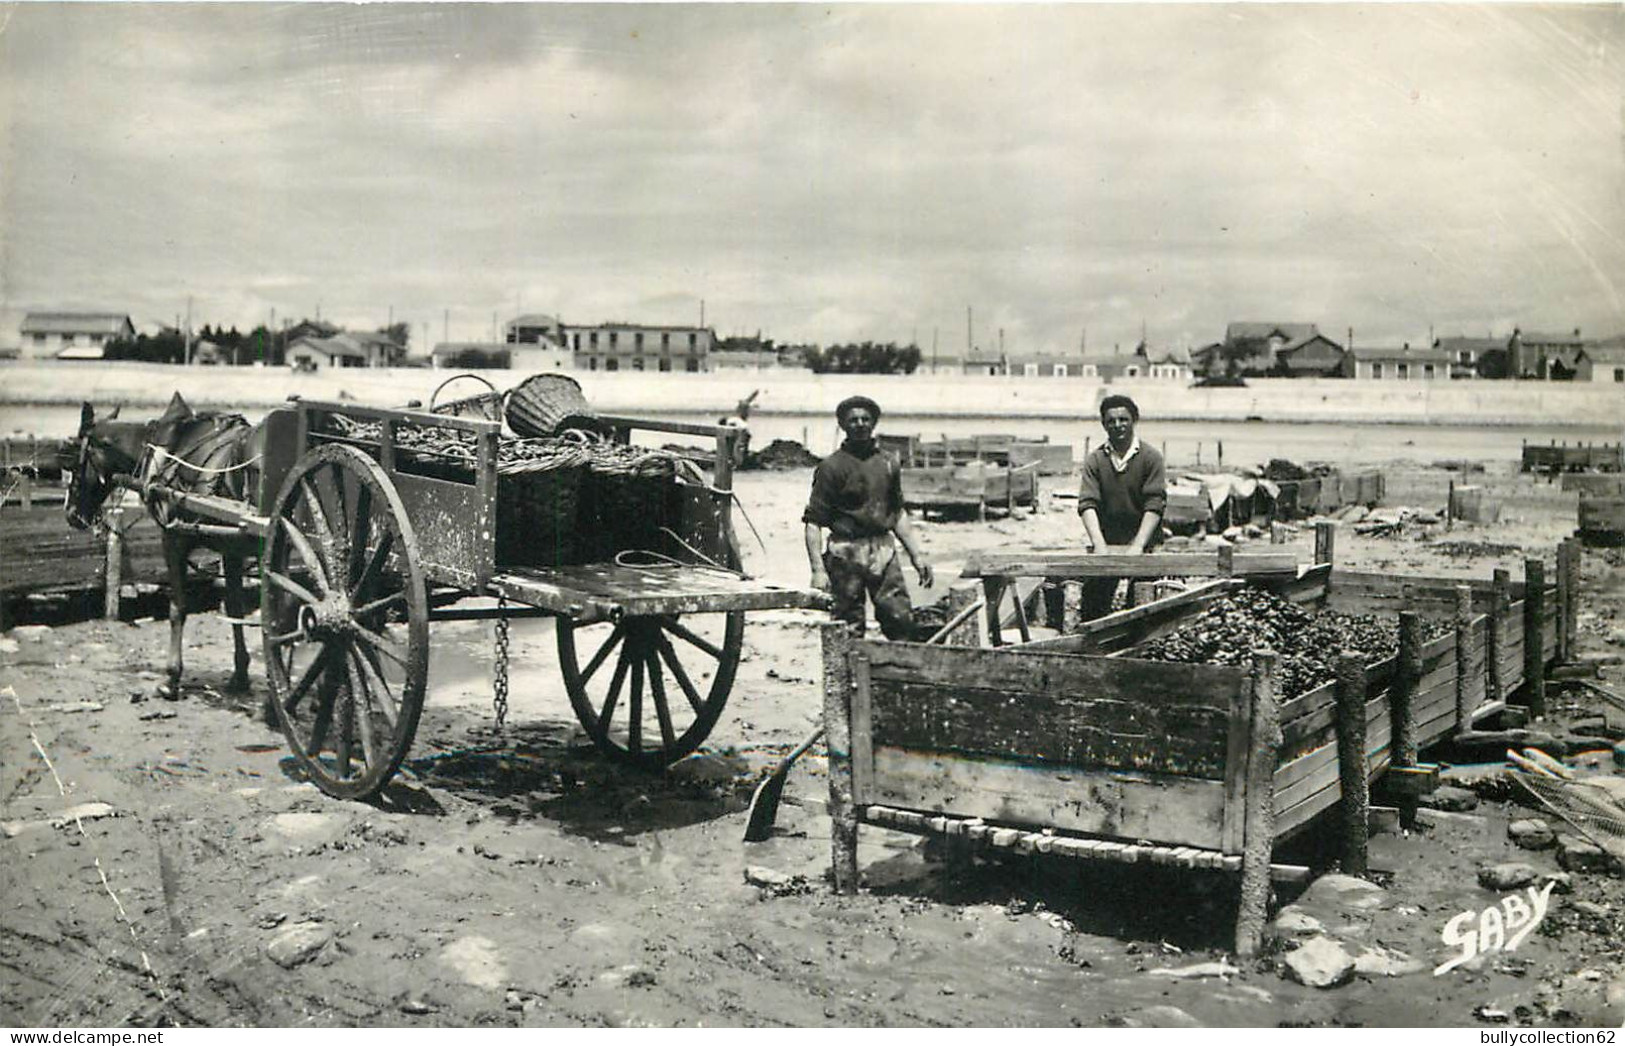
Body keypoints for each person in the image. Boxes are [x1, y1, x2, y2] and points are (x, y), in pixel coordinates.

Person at [803, 395, 933, 638]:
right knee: (847, 623)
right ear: (842, 425)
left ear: (874, 423)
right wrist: (817, 570)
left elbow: (896, 514)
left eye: (865, 419)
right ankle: (847, 675)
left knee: (899, 617)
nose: (860, 424)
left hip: (883, 548)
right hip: (845, 551)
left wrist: (917, 554)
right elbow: (813, 522)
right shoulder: (831, 468)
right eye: (853, 420)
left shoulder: (888, 463)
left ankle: (897, 673)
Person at [1075, 393, 1166, 621]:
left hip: (1145, 542)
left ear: (1134, 420)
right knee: (1093, 609)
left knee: (1143, 607)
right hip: (1107, 540)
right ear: (1104, 425)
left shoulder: (1151, 457)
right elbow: (1087, 504)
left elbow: (1155, 504)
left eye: (1123, 419)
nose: (1118, 425)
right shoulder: (1095, 460)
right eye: (1111, 421)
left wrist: (1137, 546)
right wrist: (1099, 546)